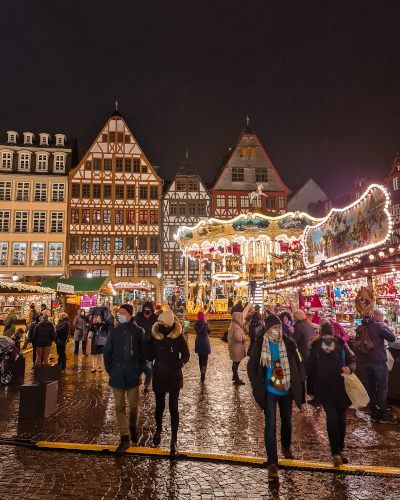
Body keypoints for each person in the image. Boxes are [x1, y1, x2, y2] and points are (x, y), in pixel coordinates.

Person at [247, 315, 305, 482]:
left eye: (279, 327)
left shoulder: (289, 343)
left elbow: (299, 362)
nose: (278, 330)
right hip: (269, 391)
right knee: (270, 426)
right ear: (267, 329)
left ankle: (286, 446)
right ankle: (272, 463)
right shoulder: (260, 344)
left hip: (286, 391)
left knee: (287, 421)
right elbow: (251, 367)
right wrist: (256, 387)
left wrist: (300, 380)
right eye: (274, 328)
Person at [307, 322, 356, 466]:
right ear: (321, 335)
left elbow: (352, 361)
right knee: (332, 418)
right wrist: (310, 390)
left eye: (329, 335)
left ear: (333, 335)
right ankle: (336, 453)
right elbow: (311, 370)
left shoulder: (341, 345)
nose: (327, 338)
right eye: (325, 335)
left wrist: (349, 369)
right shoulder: (315, 348)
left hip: (341, 389)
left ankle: (340, 448)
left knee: (341, 420)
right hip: (324, 389)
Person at [147, 308, 190, 457]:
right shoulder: (155, 335)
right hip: (159, 375)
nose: (159, 323)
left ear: (168, 323)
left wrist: (178, 365)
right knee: (159, 408)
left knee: (173, 409)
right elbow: (150, 354)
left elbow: (186, 355)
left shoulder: (177, 337)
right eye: (158, 321)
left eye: (161, 321)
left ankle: (174, 440)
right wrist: (146, 344)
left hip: (174, 377)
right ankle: (158, 429)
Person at [104, 304, 145, 455]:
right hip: (117, 375)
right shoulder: (114, 332)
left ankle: (133, 426)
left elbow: (143, 353)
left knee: (134, 406)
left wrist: (140, 369)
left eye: (122, 313)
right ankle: (124, 437)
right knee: (119, 407)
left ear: (129, 315)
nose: (119, 315)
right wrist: (110, 369)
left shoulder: (138, 331)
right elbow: (107, 351)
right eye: (118, 313)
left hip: (133, 374)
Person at [361, 310, 398, 424]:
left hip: (367, 361)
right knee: (382, 388)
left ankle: (374, 413)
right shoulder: (377, 325)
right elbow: (392, 338)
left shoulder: (363, 325)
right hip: (378, 361)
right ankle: (383, 415)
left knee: (371, 387)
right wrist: (385, 327)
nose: (382, 318)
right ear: (376, 316)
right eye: (381, 316)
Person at [134, 301, 158, 392]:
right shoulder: (139, 318)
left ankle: (147, 383)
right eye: (145, 311)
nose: (146, 313)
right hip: (140, 346)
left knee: (149, 366)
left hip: (150, 346)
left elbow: (157, 332)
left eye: (148, 311)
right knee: (140, 365)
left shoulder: (155, 318)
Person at [228, 312, 247, 385]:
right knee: (236, 363)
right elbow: (238, 337)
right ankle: (236, 378)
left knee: (235, 363)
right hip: (236, 348)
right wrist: (244, 337)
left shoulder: (233, 325)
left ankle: (235, 376)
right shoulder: (236, 327)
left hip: (234, 347)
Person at [194, 311, 211, 382]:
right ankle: (204, 370)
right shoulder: (206, 324)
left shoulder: (195, 324)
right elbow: (209, 331)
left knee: (200, 358)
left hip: (198, 342)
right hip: (205, 343)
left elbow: (195, 330)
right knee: (205, 358)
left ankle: (201, 371)